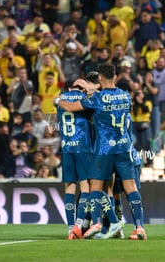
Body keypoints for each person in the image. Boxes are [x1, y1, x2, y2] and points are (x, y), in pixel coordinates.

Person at [55, 63, 147, 240]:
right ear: (115, 76)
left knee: (95, 187)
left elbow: (72, 107)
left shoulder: (97, 98)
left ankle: (97, 222)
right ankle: (139, 228)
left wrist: (58, 100)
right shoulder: (125, 95)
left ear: (100, 78)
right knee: (130, 188)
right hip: (124, 147)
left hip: (104, 150)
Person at [55, 80, 92, 239]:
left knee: (69, 188)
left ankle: (70, 228)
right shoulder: (84, 100)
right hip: (82, 148)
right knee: (85, 188)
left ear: (69, 88)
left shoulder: (60, 101)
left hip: (66, 148)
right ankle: (78, 225)